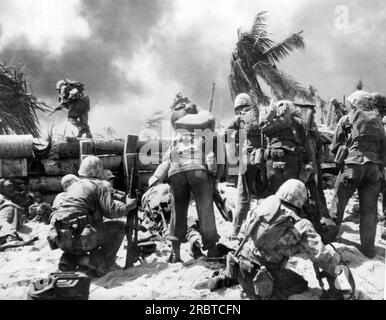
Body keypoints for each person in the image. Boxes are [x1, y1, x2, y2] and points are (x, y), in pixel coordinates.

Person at [197, 180, 351, 300]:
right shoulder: (300, 224)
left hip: (240, 267)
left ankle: (225, 278)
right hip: (263, 279)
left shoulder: (265, 204)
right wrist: (338, 264)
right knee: (300, 283)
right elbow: (322, 256)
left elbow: (244, 234)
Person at [48, 156, 137, 277]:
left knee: (90, 226)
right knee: (119, 227)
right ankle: (99, 263)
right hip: (81, 237)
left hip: (61, 237)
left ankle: (69, 261)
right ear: (99, 170)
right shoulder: (100, 185)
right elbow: (111, 212)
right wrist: (128, 206)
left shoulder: (74, 186)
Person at [165, 97, 225, 263]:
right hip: (197, 169)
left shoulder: (176, 135)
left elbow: (167, 158)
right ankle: (212, 248)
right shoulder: (206, 130)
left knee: (178, 211)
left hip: (176, 170)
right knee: (205, 210)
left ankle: (175, 251)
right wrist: (215, 180)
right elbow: (216, 159)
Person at [330, 91, 386, 257]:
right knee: (370, 210)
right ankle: (368, 249)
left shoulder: (346, 119)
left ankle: (330, 237)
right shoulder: (378, 122)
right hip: (374, 169)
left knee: (339, 202)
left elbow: (335, 145)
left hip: (352, 167)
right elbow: (384, 151)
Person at [225, 93, 266, 236]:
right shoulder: (260, 115)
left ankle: (236, 231)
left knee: (243, 196)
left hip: (246, 159)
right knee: (263, 195)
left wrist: (238, 140)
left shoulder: (238, 118)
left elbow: (227, 135)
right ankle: (266, 227)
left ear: (237, 107)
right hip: (261, 158)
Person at [261, 100, 315, 194]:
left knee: (274, 193)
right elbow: (308, 146)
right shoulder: (299, 122)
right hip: (292, 159)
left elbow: (263, 145)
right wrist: (312, 165)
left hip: (271, 160)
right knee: (290, 193)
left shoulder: (268, 125)